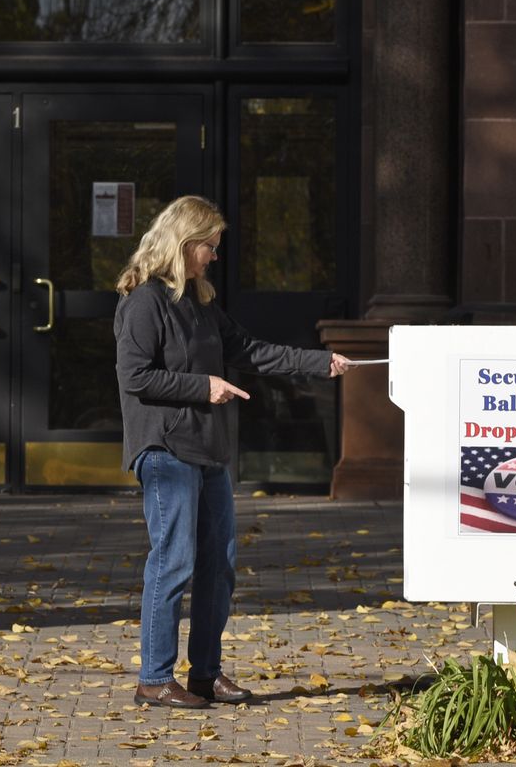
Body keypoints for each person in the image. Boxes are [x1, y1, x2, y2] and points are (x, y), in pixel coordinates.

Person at [113, 195, 349, 709]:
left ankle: (205, 674)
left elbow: (251, 350)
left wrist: (320, 362)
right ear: (184, 242)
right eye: (210, 245)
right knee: (172, 562)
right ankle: (154, 679)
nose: (215, 255)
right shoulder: (144, 301)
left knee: (218, 566)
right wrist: (204, 388)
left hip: (208, 451)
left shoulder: (200, 302)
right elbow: (135, 377)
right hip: (165, 450)